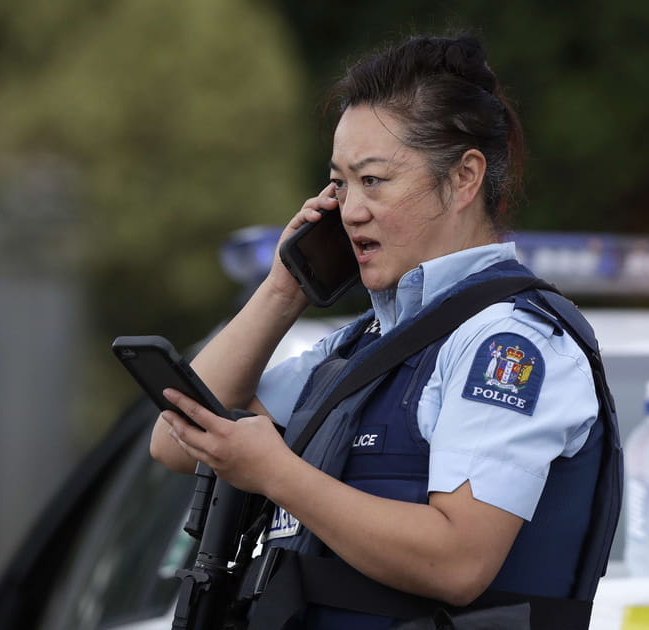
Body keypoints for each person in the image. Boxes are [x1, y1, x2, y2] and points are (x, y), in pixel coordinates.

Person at [150, 34, 621, 630]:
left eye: (374, 180)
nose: (349, 210)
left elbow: (458, 561)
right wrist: (282, 290)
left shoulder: (507, 343)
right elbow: (174, 439)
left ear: (463, 178)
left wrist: (276, 473)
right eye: (339, 184)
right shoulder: (364, 343)